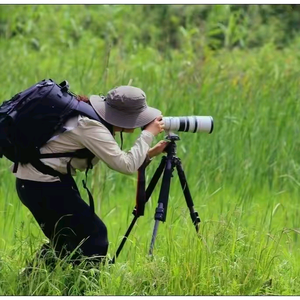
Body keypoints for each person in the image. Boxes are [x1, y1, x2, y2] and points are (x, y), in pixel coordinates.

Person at [14, 85, 168, 268]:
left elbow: (121, 160)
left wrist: (149, 154)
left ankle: (30, 284)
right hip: (41, 184)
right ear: (124, 117)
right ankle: (88, 289)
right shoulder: (90, 127)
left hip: (38, 182)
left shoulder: (89, 118)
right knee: (94, 236)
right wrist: (148, 134)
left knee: (65, 241)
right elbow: (126, 165)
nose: (139, 122)